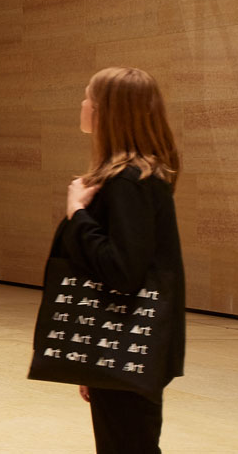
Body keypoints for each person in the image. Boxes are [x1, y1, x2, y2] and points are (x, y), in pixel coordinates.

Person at [61, 66, 185, 454]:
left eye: (88, 97)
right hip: (126, 341)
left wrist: (77, 213)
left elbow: (122, 270)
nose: (82, 104)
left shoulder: (130, 181)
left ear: (105, 111)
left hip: (130, 341)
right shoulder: (139, 175)